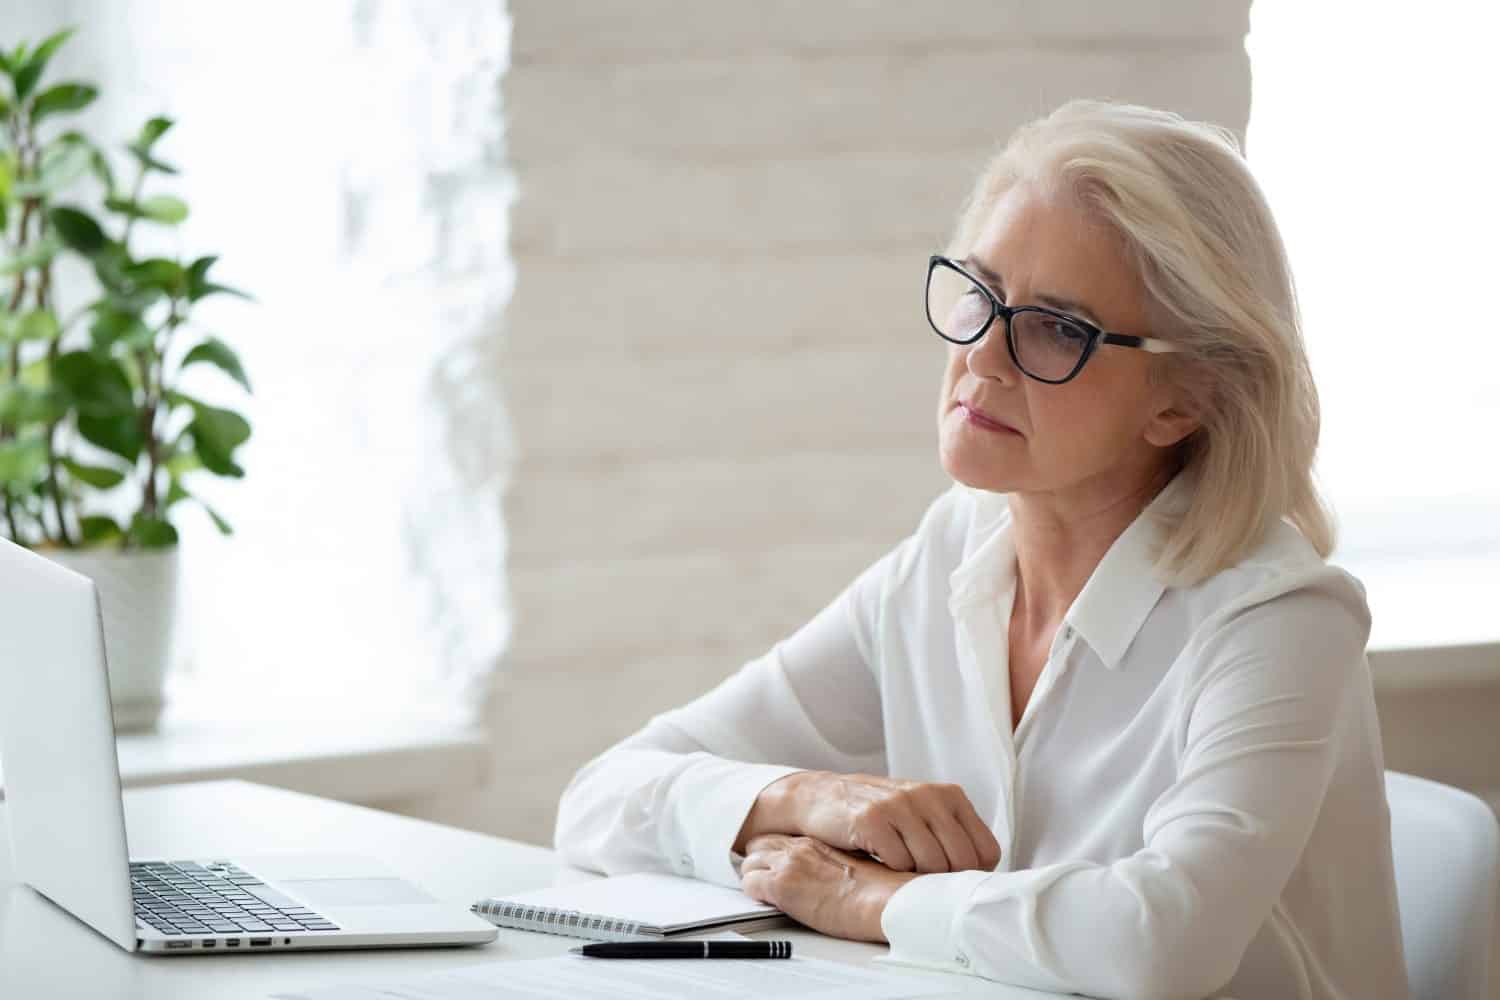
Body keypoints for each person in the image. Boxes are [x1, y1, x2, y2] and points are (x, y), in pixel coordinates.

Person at [553, 100, 1409, 1000]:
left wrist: (872, 901)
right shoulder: (955, 549)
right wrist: (806, 798)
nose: (984, 358)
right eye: (981, 292)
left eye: (1057, 328)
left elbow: (1162, 942)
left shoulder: (1279, 619)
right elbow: (602, 798)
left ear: (1183, 399)